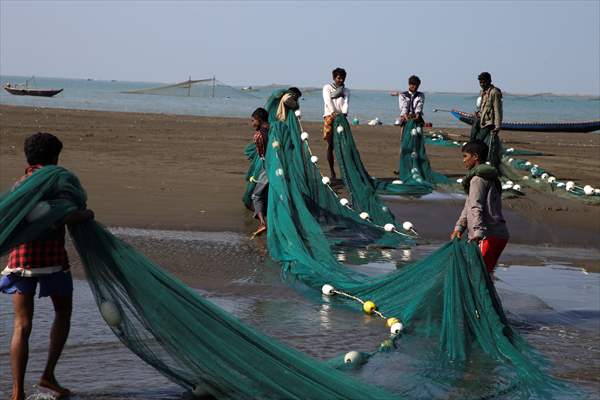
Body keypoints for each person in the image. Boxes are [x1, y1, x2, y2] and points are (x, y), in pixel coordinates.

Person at [1, 132, 94, 400]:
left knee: (22, 324)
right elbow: (67, 214)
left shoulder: (20, 185)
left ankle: (17, 392)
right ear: (55, 157)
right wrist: (88, 214)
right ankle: (48, 375)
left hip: (20, 261)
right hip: (52, 258)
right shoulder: (57, 181)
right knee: (63, 313)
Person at [450, 140, 509, 274]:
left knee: (476, 276)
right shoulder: (491, 177)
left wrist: (477, 233)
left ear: (475, 157)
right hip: (499, 235)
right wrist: (459, 227)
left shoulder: (477, 180)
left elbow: (475, 207)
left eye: (465, 156)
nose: (463, 161)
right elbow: (469, 204)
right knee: (483, 276)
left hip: (486, 235)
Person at [470, 72, 503, 168]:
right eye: (480, 82)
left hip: (488, 122)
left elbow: (497, 110)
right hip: (479, 120)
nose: (482, 84)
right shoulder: (482, 92)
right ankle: (474, 161)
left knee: (479, 143)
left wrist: (497, 126)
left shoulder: (494, 92)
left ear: (489, 81)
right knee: (472, 140)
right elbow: (481, 106)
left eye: (484, 82)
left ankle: (479, 163)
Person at [322, 67, 350, 179]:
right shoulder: (327, 88)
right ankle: (332, 171)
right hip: (329, 117)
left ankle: (345, 171)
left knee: (344, 145)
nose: (340, 80)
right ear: (334, 78)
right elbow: (327, 100)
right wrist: (333, 112)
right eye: (338, 78)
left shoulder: (346, 90)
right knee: (330, 145)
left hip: (341, 118)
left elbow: (346, 103)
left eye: (342, 78)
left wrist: (344, 113)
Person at [250, 107, 270, 237]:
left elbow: (262, 154)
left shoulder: (258, 135)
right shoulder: (274, 129)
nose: (252, 124)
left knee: (256, 196)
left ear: (259, 119)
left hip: (268, 168)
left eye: (253, 121)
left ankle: (263, 223)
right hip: (280, 168)